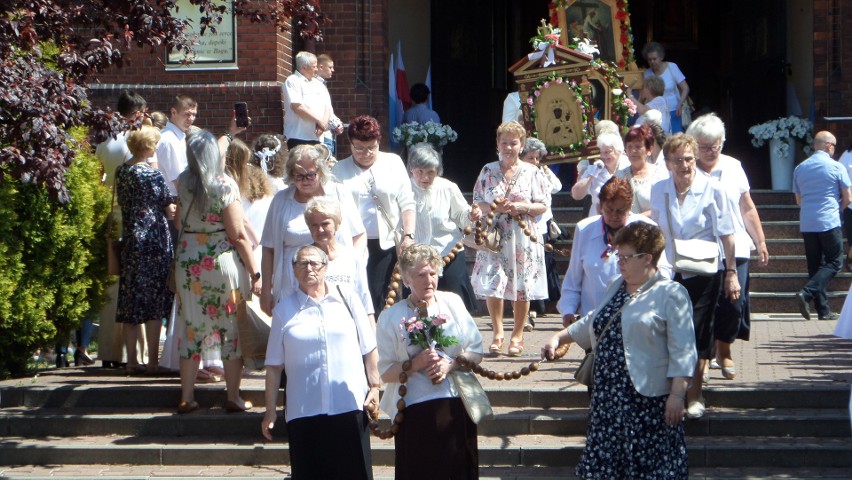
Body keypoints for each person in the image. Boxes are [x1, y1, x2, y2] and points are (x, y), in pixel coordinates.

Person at [542, 222, 696, 479]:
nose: (619, 262)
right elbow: (593, 319)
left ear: (647, 258)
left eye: (625, 257)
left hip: (648, 401)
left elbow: (684, 349)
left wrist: (678, 395)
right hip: (608, 399)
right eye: (618, 255)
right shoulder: (616, 284)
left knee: (649, 468)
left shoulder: (671, 293)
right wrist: (559, 337)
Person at [261, 245, 379, 480]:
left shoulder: (347, 298)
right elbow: (274, 366)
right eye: (302, 264)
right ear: (294, 271)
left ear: (325, 267)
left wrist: (375, 387)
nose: (309, 269)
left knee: (355, 472)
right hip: (304, 408)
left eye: (314, 263)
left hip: (348, 403)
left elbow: (369, 348)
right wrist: (270, 411)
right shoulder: (284, 310)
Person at [650, 133, 739, 419]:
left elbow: (726, 234)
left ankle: (694, 392)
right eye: (679, 160)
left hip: (704, 271)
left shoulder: (713, 188)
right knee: (670, 330)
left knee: (698, 329)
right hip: (670, 269)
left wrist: (732, 273)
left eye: (689, 158)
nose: (686, 165)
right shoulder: (659, 189)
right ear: (667, 163)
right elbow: (658, 231)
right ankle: (670, 388)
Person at [376, 244, 484, 479]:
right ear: (406, 279)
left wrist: (451, 364)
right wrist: (414, 364)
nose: (429, 280)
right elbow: (384, 372)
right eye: (421, 275)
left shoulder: (452, 303)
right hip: (414, 408)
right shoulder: (391, 317)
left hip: (454, 401)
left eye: (433, 273)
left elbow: (476, 350)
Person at [174, 129, 261, 414]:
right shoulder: (224, 184)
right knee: (230, 330)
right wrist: (255, 271)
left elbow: (178, 225)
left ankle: (187, 396)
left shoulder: (184, 182)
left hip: (188, 262)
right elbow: (237, 234)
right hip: (220, 261)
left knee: (191, 327)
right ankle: (233, 396)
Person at [687, 113, 769, 379]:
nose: (710, 152)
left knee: (733, 305)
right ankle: (705, 356)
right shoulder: (686, 170)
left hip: (736, 248)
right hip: (700, 247)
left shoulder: (734, 166)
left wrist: (760, 239)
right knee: (704, 305)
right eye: (704, 146)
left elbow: (747, 207)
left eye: (716, 145)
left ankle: (724, 348)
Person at [471, 121, 550, 356]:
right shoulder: (487, 170)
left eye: (513, 143)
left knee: (521, 286)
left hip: (522, 236)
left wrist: (520, 206)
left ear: (521, 145)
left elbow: (543, 205)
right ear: (497, 144)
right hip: (495, 236)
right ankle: (497, 333)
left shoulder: (532, 171)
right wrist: (489, 208)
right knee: (493, 284)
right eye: (504, 143)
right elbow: (477, 201)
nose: (508, 147)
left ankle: (517, 335)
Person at [260, 143, 366, 315]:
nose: (305, 181)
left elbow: (359, 235)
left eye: (311, 175)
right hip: (291, 282)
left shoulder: (338, 193)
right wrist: (266, 290)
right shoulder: (281, 200)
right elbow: (268, 248)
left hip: (334, 279)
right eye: (299, 176)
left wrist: (352, 265)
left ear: (321, 172)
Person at [558, 177, 669, 327]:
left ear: (630, 207)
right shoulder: (585, 229)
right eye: (609, 210)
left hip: (637, 322)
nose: (614, 216)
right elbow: (573, 278)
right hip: (594, 321)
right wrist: (568, 310)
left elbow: (664, 272)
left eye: (621, 210)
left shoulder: (647, 229)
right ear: (600, 207)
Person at [333, 115, 416, 313]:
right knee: (358, 295)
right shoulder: (338, 170)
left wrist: (408, 236)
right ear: (350, 144)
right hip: (352, 243)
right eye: (359, 148)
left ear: (379, 142)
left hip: (387, 242)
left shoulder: (393, 163)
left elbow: (407, 202)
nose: (366, 153)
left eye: (371, 147)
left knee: (385, 297)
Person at [94, 89, 152, 369]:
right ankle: (137, 354)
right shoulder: (138, 141)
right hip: (136, 218)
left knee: (113, 283)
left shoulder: (105, 140)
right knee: (136, 284)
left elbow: (98, 177)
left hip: (111, 214)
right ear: (137, 114)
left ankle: (108, 350)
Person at [114, 125, 175, 375]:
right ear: (149, 147)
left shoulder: (122, 171)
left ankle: (131, 361)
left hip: (130, 241)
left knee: (130, 301)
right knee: (154, 302)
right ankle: (151, 361)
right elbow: (168, 207)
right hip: (154, 241)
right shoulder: (152, 174)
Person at [407, 143, 478, 310]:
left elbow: (462, 216)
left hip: (448, 251)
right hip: (416, 255)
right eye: (420, 172)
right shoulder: (404, 188)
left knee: (455, 301)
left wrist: (471, 216)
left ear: (437, 171)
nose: (425, 177)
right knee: (420, 304)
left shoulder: (448, 187)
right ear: (411, 169)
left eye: (431, 172)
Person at [792, 130, 852, 320]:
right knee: (835, 262)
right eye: (833, 146)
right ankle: (807, 293)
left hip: (807, 221)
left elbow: (798, 199)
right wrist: (839, 209)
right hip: (828, 220)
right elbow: (848, 197)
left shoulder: (800, 168)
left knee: (815, 266)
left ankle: (823, 311)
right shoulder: (835, 167)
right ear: (828, 146)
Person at [304, 196, 374, 322]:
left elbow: (364, 298)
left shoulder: (353, 257)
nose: (320, 230)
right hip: (315, 323)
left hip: (349, 324)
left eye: (325, 224)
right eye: (314, 225)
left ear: (337, 224)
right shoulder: (303, 261)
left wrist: (372, 335)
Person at [520, 137, 562, 321]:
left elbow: (557, 187)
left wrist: (545, 171)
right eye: (531, 158)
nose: (535, 162)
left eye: (538, 158)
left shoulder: (541, 172)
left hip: (542, 226)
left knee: (542, 264)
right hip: (524, 225)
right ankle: (527, 306)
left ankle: (541, 304)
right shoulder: (519, 174)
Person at [225, 138, 274, 269]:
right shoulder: (267, 196)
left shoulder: (227, 187)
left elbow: (242, 220)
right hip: (259, 252)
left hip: (240, 251)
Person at [283, 51, 332, 149]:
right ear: (304, 67)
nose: (317, 69)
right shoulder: (293, 81)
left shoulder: (319, 84)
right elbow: (297, 107)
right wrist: (319, 121)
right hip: (297, 136)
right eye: (314, 66)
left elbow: (327, 107)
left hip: (317, 138)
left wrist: (322, 125)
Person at [616, 123, 668, 215]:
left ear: (649, 149)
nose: (633, 151)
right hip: (626, 228)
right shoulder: (618, 176)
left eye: (638, 146)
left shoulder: (660, 175)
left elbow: (665, 206)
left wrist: (636, 218)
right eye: (629, 147)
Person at [572, 132, 625, 217]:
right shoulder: (595, 168)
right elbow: (576, 195)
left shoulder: (627, 167)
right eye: (601, 152)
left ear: (619, 151)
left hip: (622, 218)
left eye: (607, 152)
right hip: (598, 219)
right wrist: (591, 176)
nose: (603, 156)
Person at [642, 41, 689, 133]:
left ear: (661, 57)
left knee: (676, 141)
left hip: (674, 111)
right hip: (655, 114)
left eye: (654, 59)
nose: (652, 62)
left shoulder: (672, 67)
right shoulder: (646, 73)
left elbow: (685, 88)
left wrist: (680, 104)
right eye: (649, 59)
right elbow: (643, 95)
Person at [156, 94, 198, 197]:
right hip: (174, 202)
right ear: (174, 112)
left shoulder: (177, 137)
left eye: (194, 114)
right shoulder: (169, 141)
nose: (191, 118)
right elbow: (179, 181)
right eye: (187, 114)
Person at [316, 53, 344, 156]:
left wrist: (337, 122)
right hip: (320, 135)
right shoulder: (314, 85)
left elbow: (328, 109)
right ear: (321, 67)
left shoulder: (322, 85)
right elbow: (320, 109)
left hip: (327, 134)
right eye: (330, 67)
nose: (333, 70)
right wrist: (335, 123)